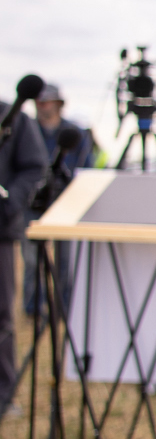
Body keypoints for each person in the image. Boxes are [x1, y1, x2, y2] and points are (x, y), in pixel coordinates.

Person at [0, 74, 51, 419]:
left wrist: (8, 202)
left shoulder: (13, 117)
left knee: (2, 314)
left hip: (0, 229)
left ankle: (3, 394)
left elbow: (35, 168)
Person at [23, 84, 93, 318]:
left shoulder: (75, 133)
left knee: (65, 259)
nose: (41, 106)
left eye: (46, 101)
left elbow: (86, 168)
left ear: (58, 104)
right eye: (38, 102)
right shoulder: (27, 130)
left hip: (67, 203)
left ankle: (63, 306)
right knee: (32, 259)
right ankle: (33, 306)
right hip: (34, 202)